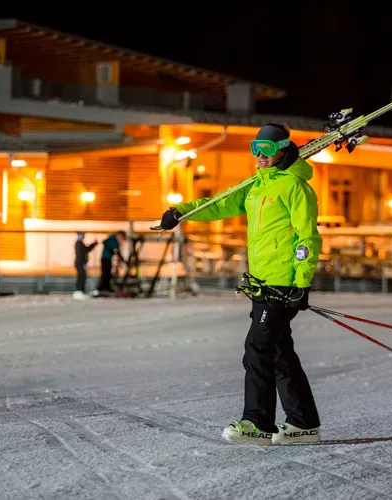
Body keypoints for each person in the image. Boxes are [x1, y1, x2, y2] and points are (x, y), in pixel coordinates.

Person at [157, 123, 323, 445]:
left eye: (268, 149)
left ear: (284, 150)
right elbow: (219, 203)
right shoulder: (255, 185)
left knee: (257, 349)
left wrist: (301, 282)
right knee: (277, 352)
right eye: (255, 148)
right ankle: (303, 423)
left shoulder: (296, 187)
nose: (260, 155)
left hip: (282, 284)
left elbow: (307, 239)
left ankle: (258, 423)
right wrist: (180, 212)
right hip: (260, 283)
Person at [95, 231, 126, 295]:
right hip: (105, 258)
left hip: (109, 259)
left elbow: (118, 252)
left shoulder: (116, 242)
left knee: (108, 273)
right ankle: (102, 288)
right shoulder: (112, 239)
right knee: (105, 274)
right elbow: (105, 242)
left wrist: (121, 259)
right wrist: (112, 249)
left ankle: (106, 287)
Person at [73, 232, 98, 300]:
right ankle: (78, 291)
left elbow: (86, 250)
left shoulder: (79, 243)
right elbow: (85, 250)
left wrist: (93, 244)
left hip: (80, 263)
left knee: (82, 276)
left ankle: (80, 291)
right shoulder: (78, 243)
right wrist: (93, 244)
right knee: (81, 276)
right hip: (80, 263)